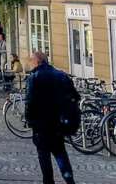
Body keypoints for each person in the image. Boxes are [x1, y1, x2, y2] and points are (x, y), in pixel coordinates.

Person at [25, 52, 78, 184]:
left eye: (31, 60)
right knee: (60, 153)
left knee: (44, 155)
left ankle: (48, 182)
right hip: (58, 122)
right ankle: (70, 181)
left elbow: (30, 101)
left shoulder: (35, 77)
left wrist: (29, 120)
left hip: (41, 123)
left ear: (37, 62)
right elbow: (75, 97)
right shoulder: (61, 75)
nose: (30, 63)